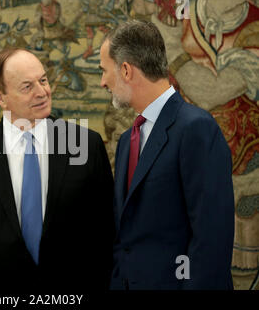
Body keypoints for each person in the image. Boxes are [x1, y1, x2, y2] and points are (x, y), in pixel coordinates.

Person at [0, 48, 115, 294]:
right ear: (0, 97)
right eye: (27, 87)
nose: (42, 92)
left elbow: (106, 238)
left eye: (43, 80)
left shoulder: (86, 146)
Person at [99, 20, 235, 290]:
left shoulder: (196, 128)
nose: (103, 82)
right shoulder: (128, 140)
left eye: (104, 71)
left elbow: (211, 241)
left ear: (126, 70)